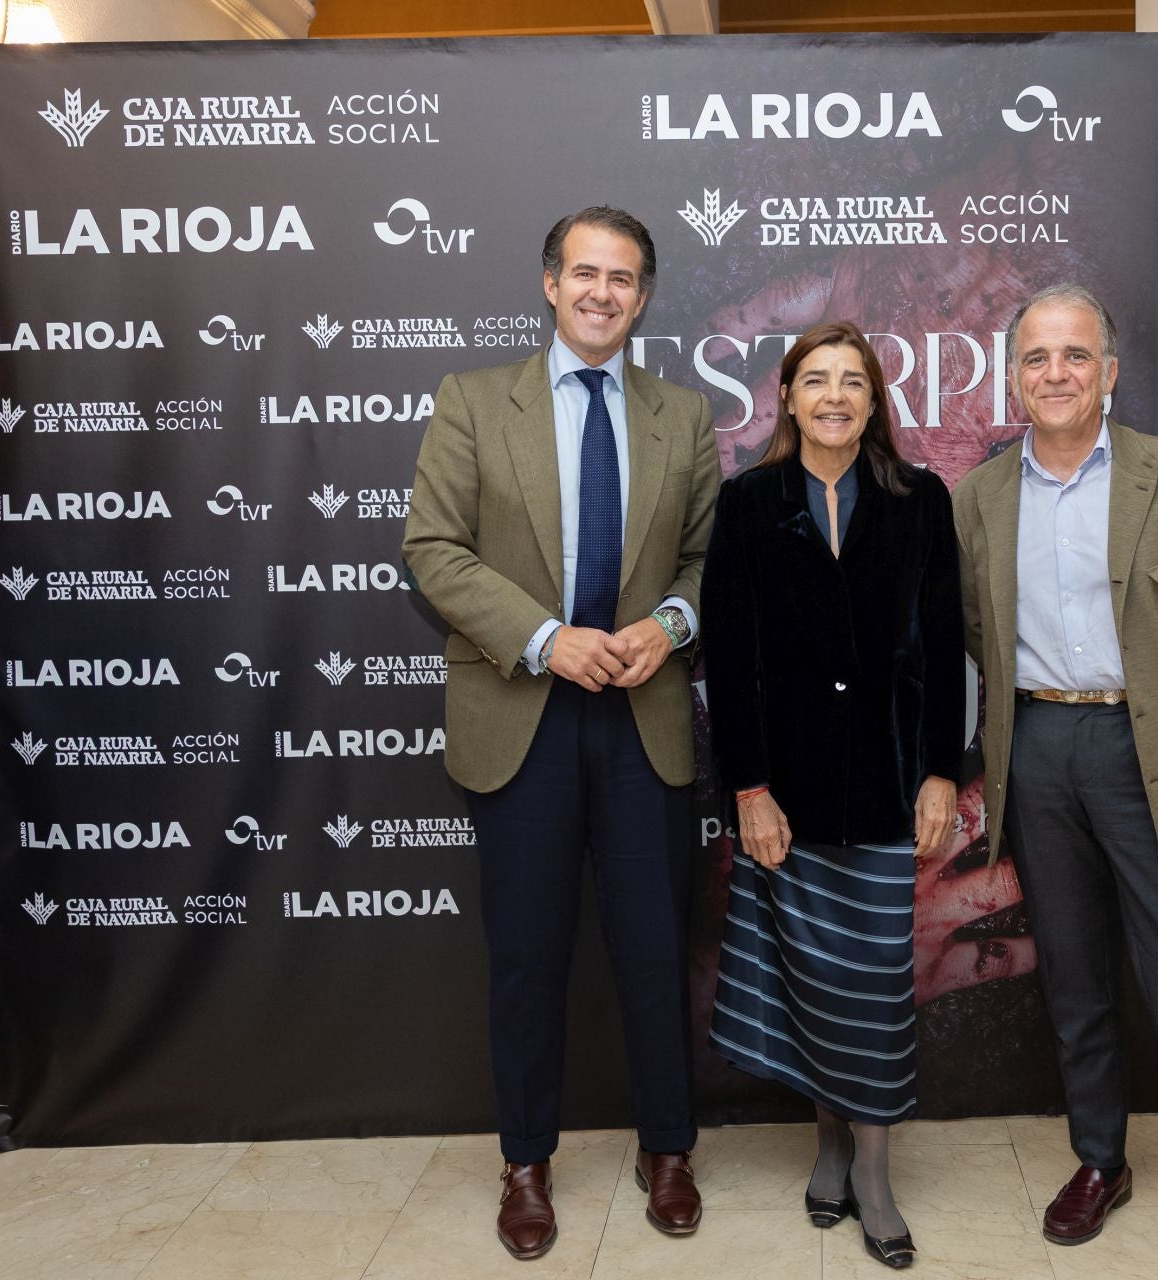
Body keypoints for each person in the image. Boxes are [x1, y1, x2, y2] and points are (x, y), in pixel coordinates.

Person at [402, 206, 720, 1261]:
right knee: (526, 957)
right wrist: (546, 638)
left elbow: (709, 566)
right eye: (583, 272)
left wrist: (668, 625)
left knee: (655, 950)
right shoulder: (471, 403)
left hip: (645, 719)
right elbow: (435, 549)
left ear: (643, 296)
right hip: (519, 717)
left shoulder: (685, 417)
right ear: (549, 283)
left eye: (622, 278)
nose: (601, 292)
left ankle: (667, 1148)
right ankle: (526, 1160)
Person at [951, 284, 1158, 1275]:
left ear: (1110, 372)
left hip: (1148, 750)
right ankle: (1101, 1159)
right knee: (1079, 973)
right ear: (1013, 378)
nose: (1056, 373)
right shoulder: (978, 497)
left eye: (1076, 355)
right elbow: (973, 630)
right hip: (1037, 748)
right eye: (1037, 357)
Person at [702, 321, 964, 1271]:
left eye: (854, 381)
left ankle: (876, 1171)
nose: (836, 396)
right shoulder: (748, 503)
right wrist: (750, 788)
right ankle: (826, 1146)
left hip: (889, 788)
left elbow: (943, 647)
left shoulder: (920, 498)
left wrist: (942, 769)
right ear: (788, 396)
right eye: (817, 380)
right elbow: (729, 664)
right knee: (810, 978)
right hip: (791, 794)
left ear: (874, 401)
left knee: (874, 986)